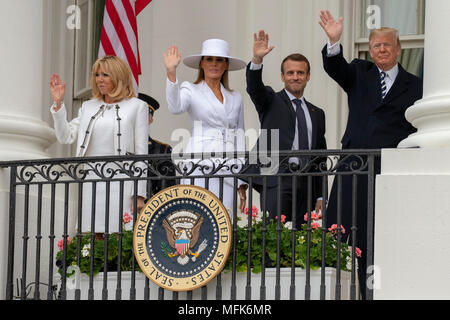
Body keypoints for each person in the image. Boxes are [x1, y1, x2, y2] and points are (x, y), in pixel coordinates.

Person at [319, 10, 423, 299]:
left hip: (389, 168)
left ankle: (373, 294)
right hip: (353, 165)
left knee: (377, 236)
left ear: (398, 49)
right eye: (376, 45)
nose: (381, 49)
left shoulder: (415, 85)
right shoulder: (359, 72)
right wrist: (334, 41)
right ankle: (326, 292)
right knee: (336, 232)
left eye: (387, 44)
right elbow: (335, 67)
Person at [50, 55, 149, 239]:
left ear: (119, 77)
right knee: (93, 233)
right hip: (92, 178)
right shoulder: (88, 106)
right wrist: (58, 104)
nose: (99, 79)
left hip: (123, 180)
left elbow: (141, 152)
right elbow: (66, 136)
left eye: (105, 74)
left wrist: (139, 193)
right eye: (97, 74)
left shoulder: (137, 106)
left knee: (121, 233)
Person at [245, 30, 327, 229]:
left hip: (306, 183)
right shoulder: (271, 100)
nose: (295, 77)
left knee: (303, 241)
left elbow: (320, 156)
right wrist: (256, 60)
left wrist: (320, 193)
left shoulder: (317, 112)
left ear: (308, 77)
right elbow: (254, 88)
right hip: (277, 178)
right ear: (282, 76)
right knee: (274, 236)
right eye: (290, 73)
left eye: (300, 73)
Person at [164, 38, 248, 214]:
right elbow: (175, 107)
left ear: (226, 65)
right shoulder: (190, 89)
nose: (214, 64)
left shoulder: (235, 97)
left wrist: (241, 178)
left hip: (228, 166)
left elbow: (240, 136)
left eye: (219, 60)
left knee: (225, 220)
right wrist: (171, 74)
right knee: (196, 217)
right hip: (199, 164)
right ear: (201, 63)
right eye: (209, 59)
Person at [137, 92, 176, 196]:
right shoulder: (118, 147)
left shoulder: (162, 150)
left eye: (141, 116)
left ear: (150, 120)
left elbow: (167, 191)